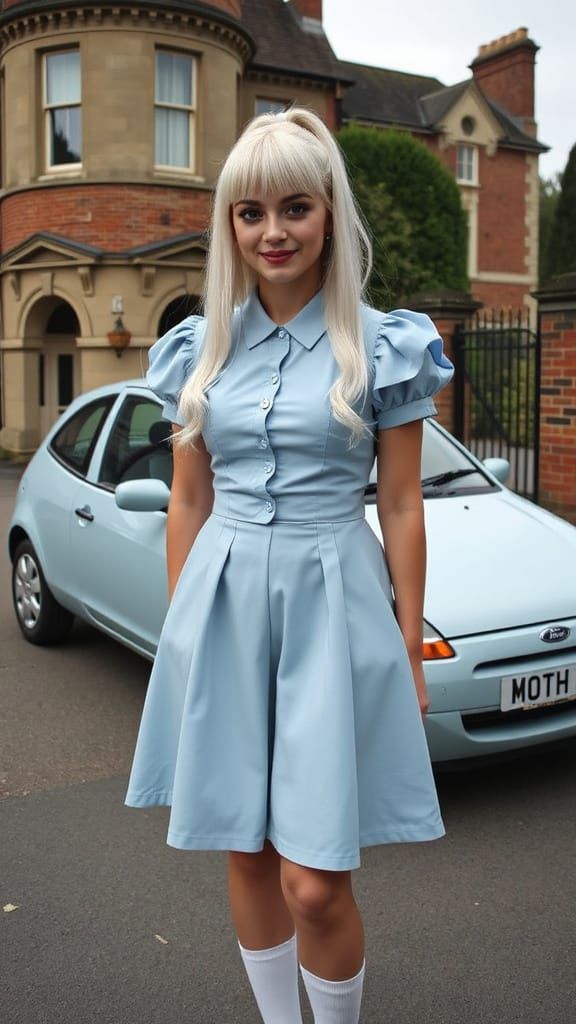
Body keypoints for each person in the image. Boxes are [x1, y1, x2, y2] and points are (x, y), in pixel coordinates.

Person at [125, 107, 454, 1024]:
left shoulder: (380, 345)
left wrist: (404, 637)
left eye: (296, 208)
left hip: (330, 603)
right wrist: (182, 630)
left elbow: (399, 504)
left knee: (315, 880)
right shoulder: (202, 348)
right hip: (222, 604)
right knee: (244, 847)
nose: (273, 232)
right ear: (229, 223)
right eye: (251, 212)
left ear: (329, 215)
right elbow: (188, 500)